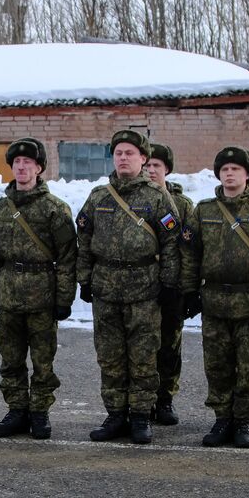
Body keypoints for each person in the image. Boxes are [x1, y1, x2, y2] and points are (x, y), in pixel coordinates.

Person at [181, 146, 249, 448]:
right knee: (216, 365)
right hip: (215, 301)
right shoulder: (204, 210)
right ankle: (222, 419)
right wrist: (189, 291)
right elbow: (190, 254)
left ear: (247, 175)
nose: (229, 174)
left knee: (247, 366)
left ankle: (244, 421)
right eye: (224, 169)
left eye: (236, 169)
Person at [75, 129, 181, 444]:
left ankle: (140, 417)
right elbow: (83, 240)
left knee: (143, 355)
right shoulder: (99, 197)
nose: (123, 158)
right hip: (107, 288)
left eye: (130, 153)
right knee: (110, 356)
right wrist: (85, 279)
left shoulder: (158, 196)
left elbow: (172, 244)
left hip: (144, 290)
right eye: (119, 153)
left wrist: (169, 284)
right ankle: (115, 415)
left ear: (143, 159)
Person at [0, 137, 78, 439]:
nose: (21, 167)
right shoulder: (0, 209)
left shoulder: (55, 209)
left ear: (39, 168)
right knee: (10, 359)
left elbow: (67, 257)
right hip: (9, 295)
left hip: (42, 296)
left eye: (28, 162)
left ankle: (39, 412)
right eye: (17, 162)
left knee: (42, 360)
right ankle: (16, 410)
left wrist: (64, 298)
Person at [144, 142, 195, 426]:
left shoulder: (184, 206)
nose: (151, 171)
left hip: (171, 286)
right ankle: (142, 400)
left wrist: (186, 288)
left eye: (157, 167)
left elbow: (189, 250)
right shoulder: (136, 199)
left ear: (167, 170)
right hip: (140, 285)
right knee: (141, 346)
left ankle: (165, 399)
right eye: (148, 165)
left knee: (169, 346)